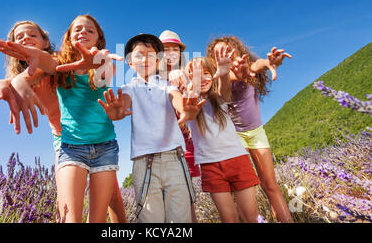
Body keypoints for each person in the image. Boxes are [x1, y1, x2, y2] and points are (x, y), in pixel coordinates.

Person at [0, 16, 126, 223]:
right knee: (65, 205)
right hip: (66, 140)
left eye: (32, 35)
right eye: (19, 36)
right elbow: (20, 78)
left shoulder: (61, 61)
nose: (26, 39)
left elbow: (46, 63)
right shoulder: (30, 73)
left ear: (46, 42)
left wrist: (100, 63)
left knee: (113, 196)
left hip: (97, 137)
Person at [97, 33, 204, 223]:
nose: (145, 59)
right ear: (130, 62)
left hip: (175, 159)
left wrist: (185, 110)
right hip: (143, 163)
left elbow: (176, 98)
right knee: (150, 219)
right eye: (139, 54)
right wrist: (118, 111)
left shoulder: (165, 85)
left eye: (151, 54)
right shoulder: (129, 87)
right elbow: (124, 103)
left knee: (181, 219)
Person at [206, 36, 293, 223]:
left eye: (227, 50)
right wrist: (228, 72)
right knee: (245, 189)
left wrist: (269, 62)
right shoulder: (217, 77)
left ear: (237, 50)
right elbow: (225, 84)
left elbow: (257, 65)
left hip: (256, 132)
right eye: (218, 53)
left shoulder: (249, 66)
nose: (224, 54)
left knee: (270, 185)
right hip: (234, 136)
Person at [185, 54, 261, 222]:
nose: (202, 78)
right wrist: (194, 84)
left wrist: (225, 73)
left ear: (213, 75)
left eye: (206, 73)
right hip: (210, 166)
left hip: (237, 160)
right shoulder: (188, 101)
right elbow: (189, 98)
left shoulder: (218, 98)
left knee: (252, 217)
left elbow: (224, 88)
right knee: (229, 219)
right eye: (195, 73)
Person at [158, 30, 200, 222]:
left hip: (187, 141)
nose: (170, 53)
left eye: (175, 49)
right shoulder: (150, 77)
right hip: (161, 145)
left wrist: (185, 81)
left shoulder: (188, 74)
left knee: (186, 197)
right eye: (165, 49)